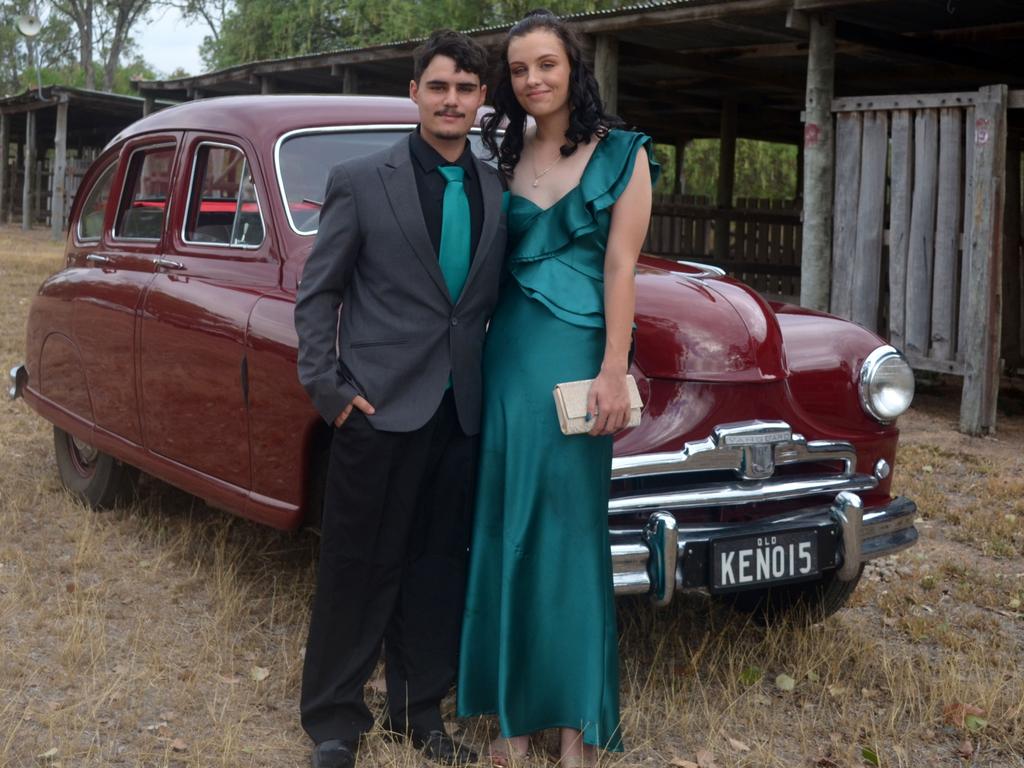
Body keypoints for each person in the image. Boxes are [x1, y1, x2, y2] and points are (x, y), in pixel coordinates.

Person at [294, 29, 508, 768]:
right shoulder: (362, 179)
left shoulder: (494, 188)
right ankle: (333, 722)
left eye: (467, 89)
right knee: (359, 564)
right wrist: (330, 389)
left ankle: (421, 715)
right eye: (439, 86)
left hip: (461, 413)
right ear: (414, 92)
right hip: (377, 408)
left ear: (482, 100)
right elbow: (317, 294)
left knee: (437, 567)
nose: (453, 100)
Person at [457, 9, 658, 767]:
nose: (533, 80)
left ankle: (575, 730)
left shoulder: (625, 155)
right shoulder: (500, 161)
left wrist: (615, 368)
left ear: (574, 67)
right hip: (508, 359)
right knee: (506, 529)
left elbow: (621, 270)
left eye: (546, 64)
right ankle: (510, 726)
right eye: (518, 70)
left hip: (580, 365)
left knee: (572, 540)